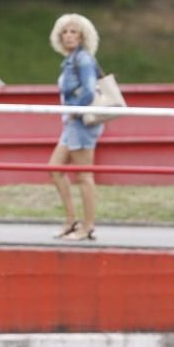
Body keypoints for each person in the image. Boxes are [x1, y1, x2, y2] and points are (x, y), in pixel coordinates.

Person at [48, 13, 104, 242]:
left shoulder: (83, 59)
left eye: (73, 32)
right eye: (65, 32)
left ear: (82, 36)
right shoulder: (70, 60)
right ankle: (71, 220)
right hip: (71, 124)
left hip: (80, 123)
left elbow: (89, 90)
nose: (68, 36)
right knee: (54, 168)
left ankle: (88, 225)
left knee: (84, 175)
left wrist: (75, 110)